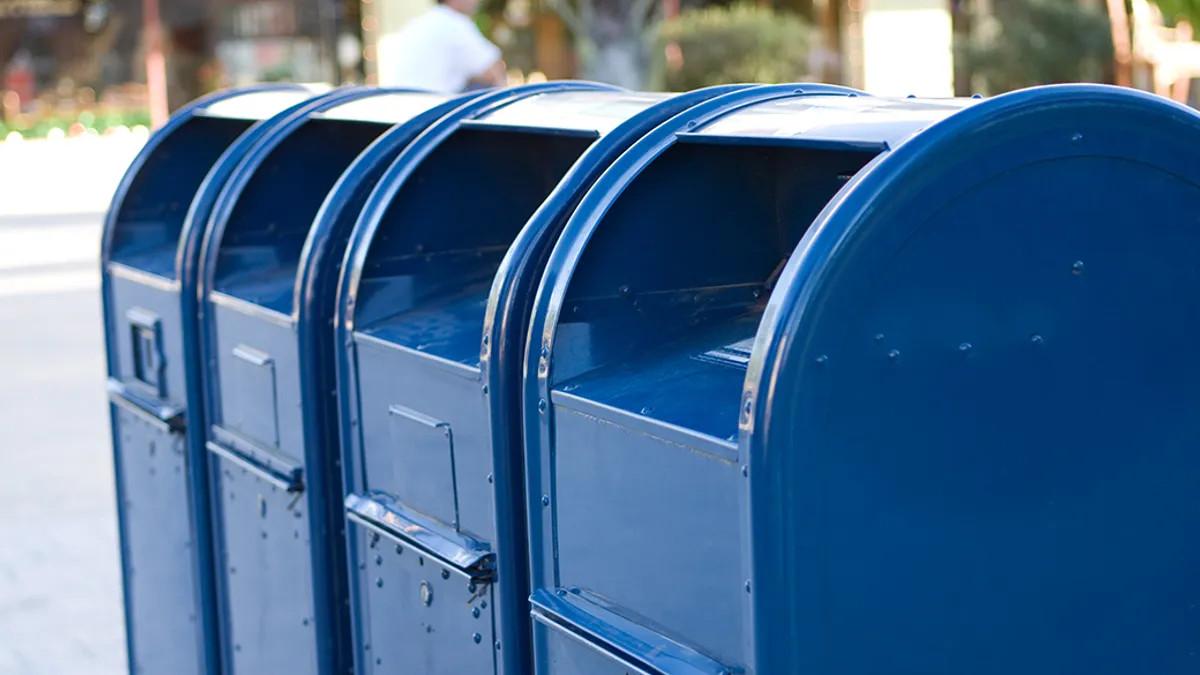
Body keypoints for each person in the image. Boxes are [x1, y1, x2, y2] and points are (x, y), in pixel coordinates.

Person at [379, 0, 507, 94]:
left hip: (402, 110)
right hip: (437, 115)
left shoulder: (415, 23)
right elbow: (493, 73)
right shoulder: (456, 23)